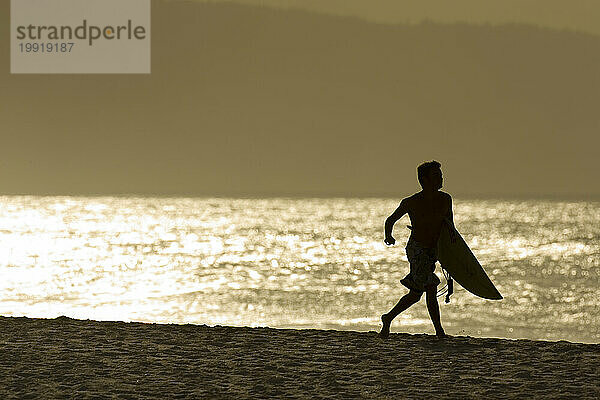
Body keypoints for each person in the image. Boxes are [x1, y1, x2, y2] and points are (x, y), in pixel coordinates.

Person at [379, 160, 456, 339]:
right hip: (417, 249)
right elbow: (390, 220)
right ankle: (440, 332)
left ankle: (388, 318)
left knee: (415, 294)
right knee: (430, 286)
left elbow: (450, 226)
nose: (441, 178)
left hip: (432, 251)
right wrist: (388, 236)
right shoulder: (411, 202)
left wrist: (451, 252)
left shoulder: (446, 199)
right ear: (424, 180)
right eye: (436, 176)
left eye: (441, 175)